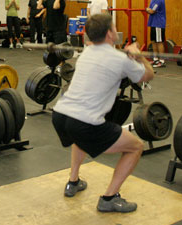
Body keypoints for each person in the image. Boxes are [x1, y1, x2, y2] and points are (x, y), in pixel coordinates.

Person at [52, 12, 153, 213]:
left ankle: (73, 182)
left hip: (60, 115)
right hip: (83, 122)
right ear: (109, 34)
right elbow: (148, 75)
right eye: (114, 28)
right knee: (135, 147)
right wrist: (139, 56)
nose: (116, 31)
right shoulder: (120, 59)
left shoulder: (86, 53)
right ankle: (109, 198)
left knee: (78, 136)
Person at [145, 0, 166, 67]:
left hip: (158, 23)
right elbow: (150, 10)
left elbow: (151, 11)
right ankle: (155, 59)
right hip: (153, 22)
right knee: (153, 41)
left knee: (159, 42)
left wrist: (147, 9)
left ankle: (161, 60)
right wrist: (148, 9)